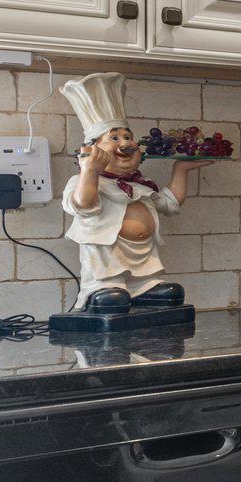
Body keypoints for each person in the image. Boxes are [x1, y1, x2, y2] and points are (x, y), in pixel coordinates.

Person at [59, 73, 210, 313]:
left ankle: (142, 289)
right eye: (114, 138)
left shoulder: (141, 184)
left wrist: (181, 169)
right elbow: (83, 205)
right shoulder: (84, 181)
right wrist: (90, 170)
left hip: (145, 263)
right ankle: (98, 290)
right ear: (92, 149)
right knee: (112, 299)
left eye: (128, 137)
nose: (126, 143)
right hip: (105, 265)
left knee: (172, 294)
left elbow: (170, 204)